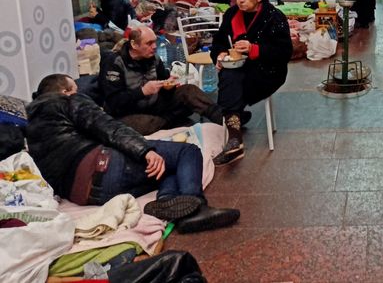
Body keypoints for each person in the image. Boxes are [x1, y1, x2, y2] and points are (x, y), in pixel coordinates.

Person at [26, 74, 240, 233]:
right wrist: (144, 150)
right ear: (65, 91)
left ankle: (168, 202)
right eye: (74, 87)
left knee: (165, 166)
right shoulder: (69, 101)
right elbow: (109, 128)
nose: (77, 91)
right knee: (187, 151)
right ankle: (196, 208)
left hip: (83, 194)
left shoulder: (31, 122)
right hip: (100, 168)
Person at [211, 0, 293, 165]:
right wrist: (221, 54)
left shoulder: (274, 17)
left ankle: (234, 130)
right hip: (239, 69)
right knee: (229, 74)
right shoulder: (231, 15)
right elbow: (219, 41)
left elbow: (284, 52)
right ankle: (235, 135)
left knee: (230, 80)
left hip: (268, 71)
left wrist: (253, 49)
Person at [100, 26, 223, 135]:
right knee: (144, 124)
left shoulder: (153, 58)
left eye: (155, 42)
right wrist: (142, 91)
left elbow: (164, 82)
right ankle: (169, 119)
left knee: (189, 91)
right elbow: (113, 102)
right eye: (149, 43)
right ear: (134, 45)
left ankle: (224, 118)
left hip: (154, 106)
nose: (154, 47)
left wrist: (169, 85)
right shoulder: (114, 63)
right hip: (127, 113)